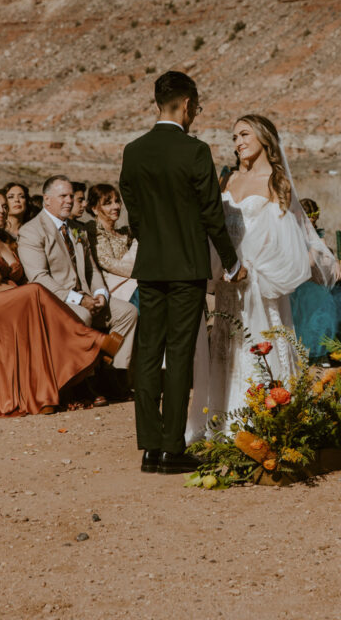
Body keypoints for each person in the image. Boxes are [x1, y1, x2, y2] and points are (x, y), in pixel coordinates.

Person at [120, 71, 244, 475]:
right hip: (187, 267)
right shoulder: (196, 151)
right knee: (178, 356)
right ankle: (172, 448)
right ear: (187, 105)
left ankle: (149, 448)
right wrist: (232, 261)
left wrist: (151, 241)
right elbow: (212, 215)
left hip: (151, 267)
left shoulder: (134, 150)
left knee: (148, 352)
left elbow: (134, 212)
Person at [188, 114, 338, 440]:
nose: (238, 142)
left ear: (263, 138)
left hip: (260, 283)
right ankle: (223, 425)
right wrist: (221, 268)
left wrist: (255, 269)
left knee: (259, 348)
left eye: (244, 134)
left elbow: (291, 242)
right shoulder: (227, 181)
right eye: (234, 137)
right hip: (230, 284)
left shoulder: (276, 182)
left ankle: (263, 423)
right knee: (227, 351)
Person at [0, 194, 122, 417]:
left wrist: (22, 294)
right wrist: (22, 294)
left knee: (35, 303)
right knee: (35, 292)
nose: (1, 210)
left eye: (4, 206)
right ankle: (93, 341)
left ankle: (44, 397)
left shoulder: (7, 241)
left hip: (13, 301)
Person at [17, 175, 137, 401]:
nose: (69, 201)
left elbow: (92, 270)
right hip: (54, 301)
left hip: (87, 296)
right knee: (82, 315)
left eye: (71, 196)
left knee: (127, 312)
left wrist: (101, 293)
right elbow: (39, 277)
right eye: (63, 196)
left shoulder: (78, 229)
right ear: (47, 199)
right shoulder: (32, 231)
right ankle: (84, 380)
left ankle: (114, 374)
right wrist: (78, 299)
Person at [290, 198, 341, 364]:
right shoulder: (295, 238)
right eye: (307, 222)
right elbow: (309, 264)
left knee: (331, 303)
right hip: (302, 283)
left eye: (313, 223)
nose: (310, 227)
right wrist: (314, 247)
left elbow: (328, 258)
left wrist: (335, 263)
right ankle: (314, 351)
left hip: (319, 281)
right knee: (316, 306)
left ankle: (326, 350)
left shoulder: (319, 238)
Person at [86, 183, 139, 309]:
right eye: (108, 203)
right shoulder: (94, 231)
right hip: (113, 289)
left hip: (132, 283)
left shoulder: (125, 232)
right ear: (94, 208)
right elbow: (105, 261)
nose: (115, 206)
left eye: (117, 201)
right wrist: (139, 271)